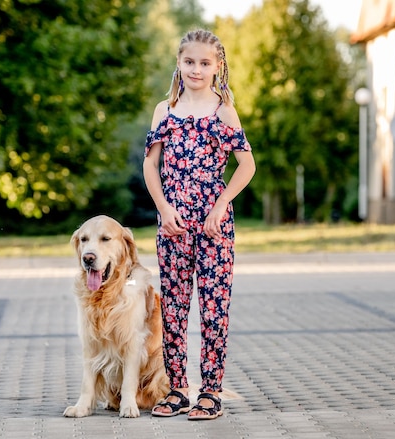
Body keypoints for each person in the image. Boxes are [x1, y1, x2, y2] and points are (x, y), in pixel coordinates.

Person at [142, 29, 256, 421]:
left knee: (213, 308)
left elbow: (247, 165)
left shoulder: (223, 111)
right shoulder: (165, 110)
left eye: (205, 63)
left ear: (217, 67)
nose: (196, 69)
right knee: (173, 308)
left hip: (213, 226)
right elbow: (150, 165)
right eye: (189, 61)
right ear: (179, 62)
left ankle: (210, 392)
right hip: (172, 224)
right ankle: (177, 389)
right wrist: (163, 208)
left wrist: (222, 203)